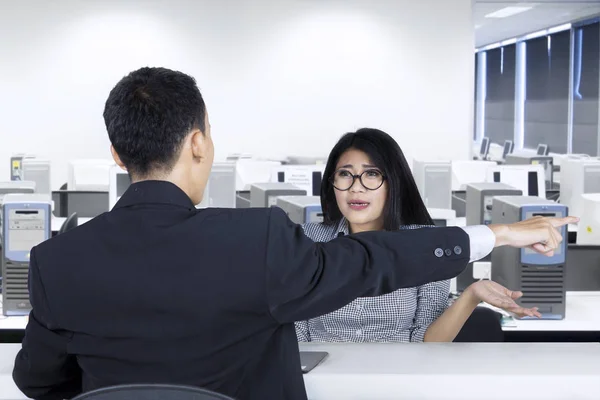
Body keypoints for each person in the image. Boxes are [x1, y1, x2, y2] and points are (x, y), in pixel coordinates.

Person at [12, 67, 576, 400]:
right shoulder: (254, 240)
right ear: (200, 143)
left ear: (115, 154)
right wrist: (497, 234)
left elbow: (37, 380)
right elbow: (370, 260)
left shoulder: (56, 259)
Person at [295, 128, 533, 343]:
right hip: (321, 381)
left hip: (398, 379)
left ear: (393, 183)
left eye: (372, 174)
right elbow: (294, 335)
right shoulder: (306, 241)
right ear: (332, 182)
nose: (356, 187)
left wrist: (472, 295)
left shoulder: (428, 245)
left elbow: (426, 340)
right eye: (345, 174)